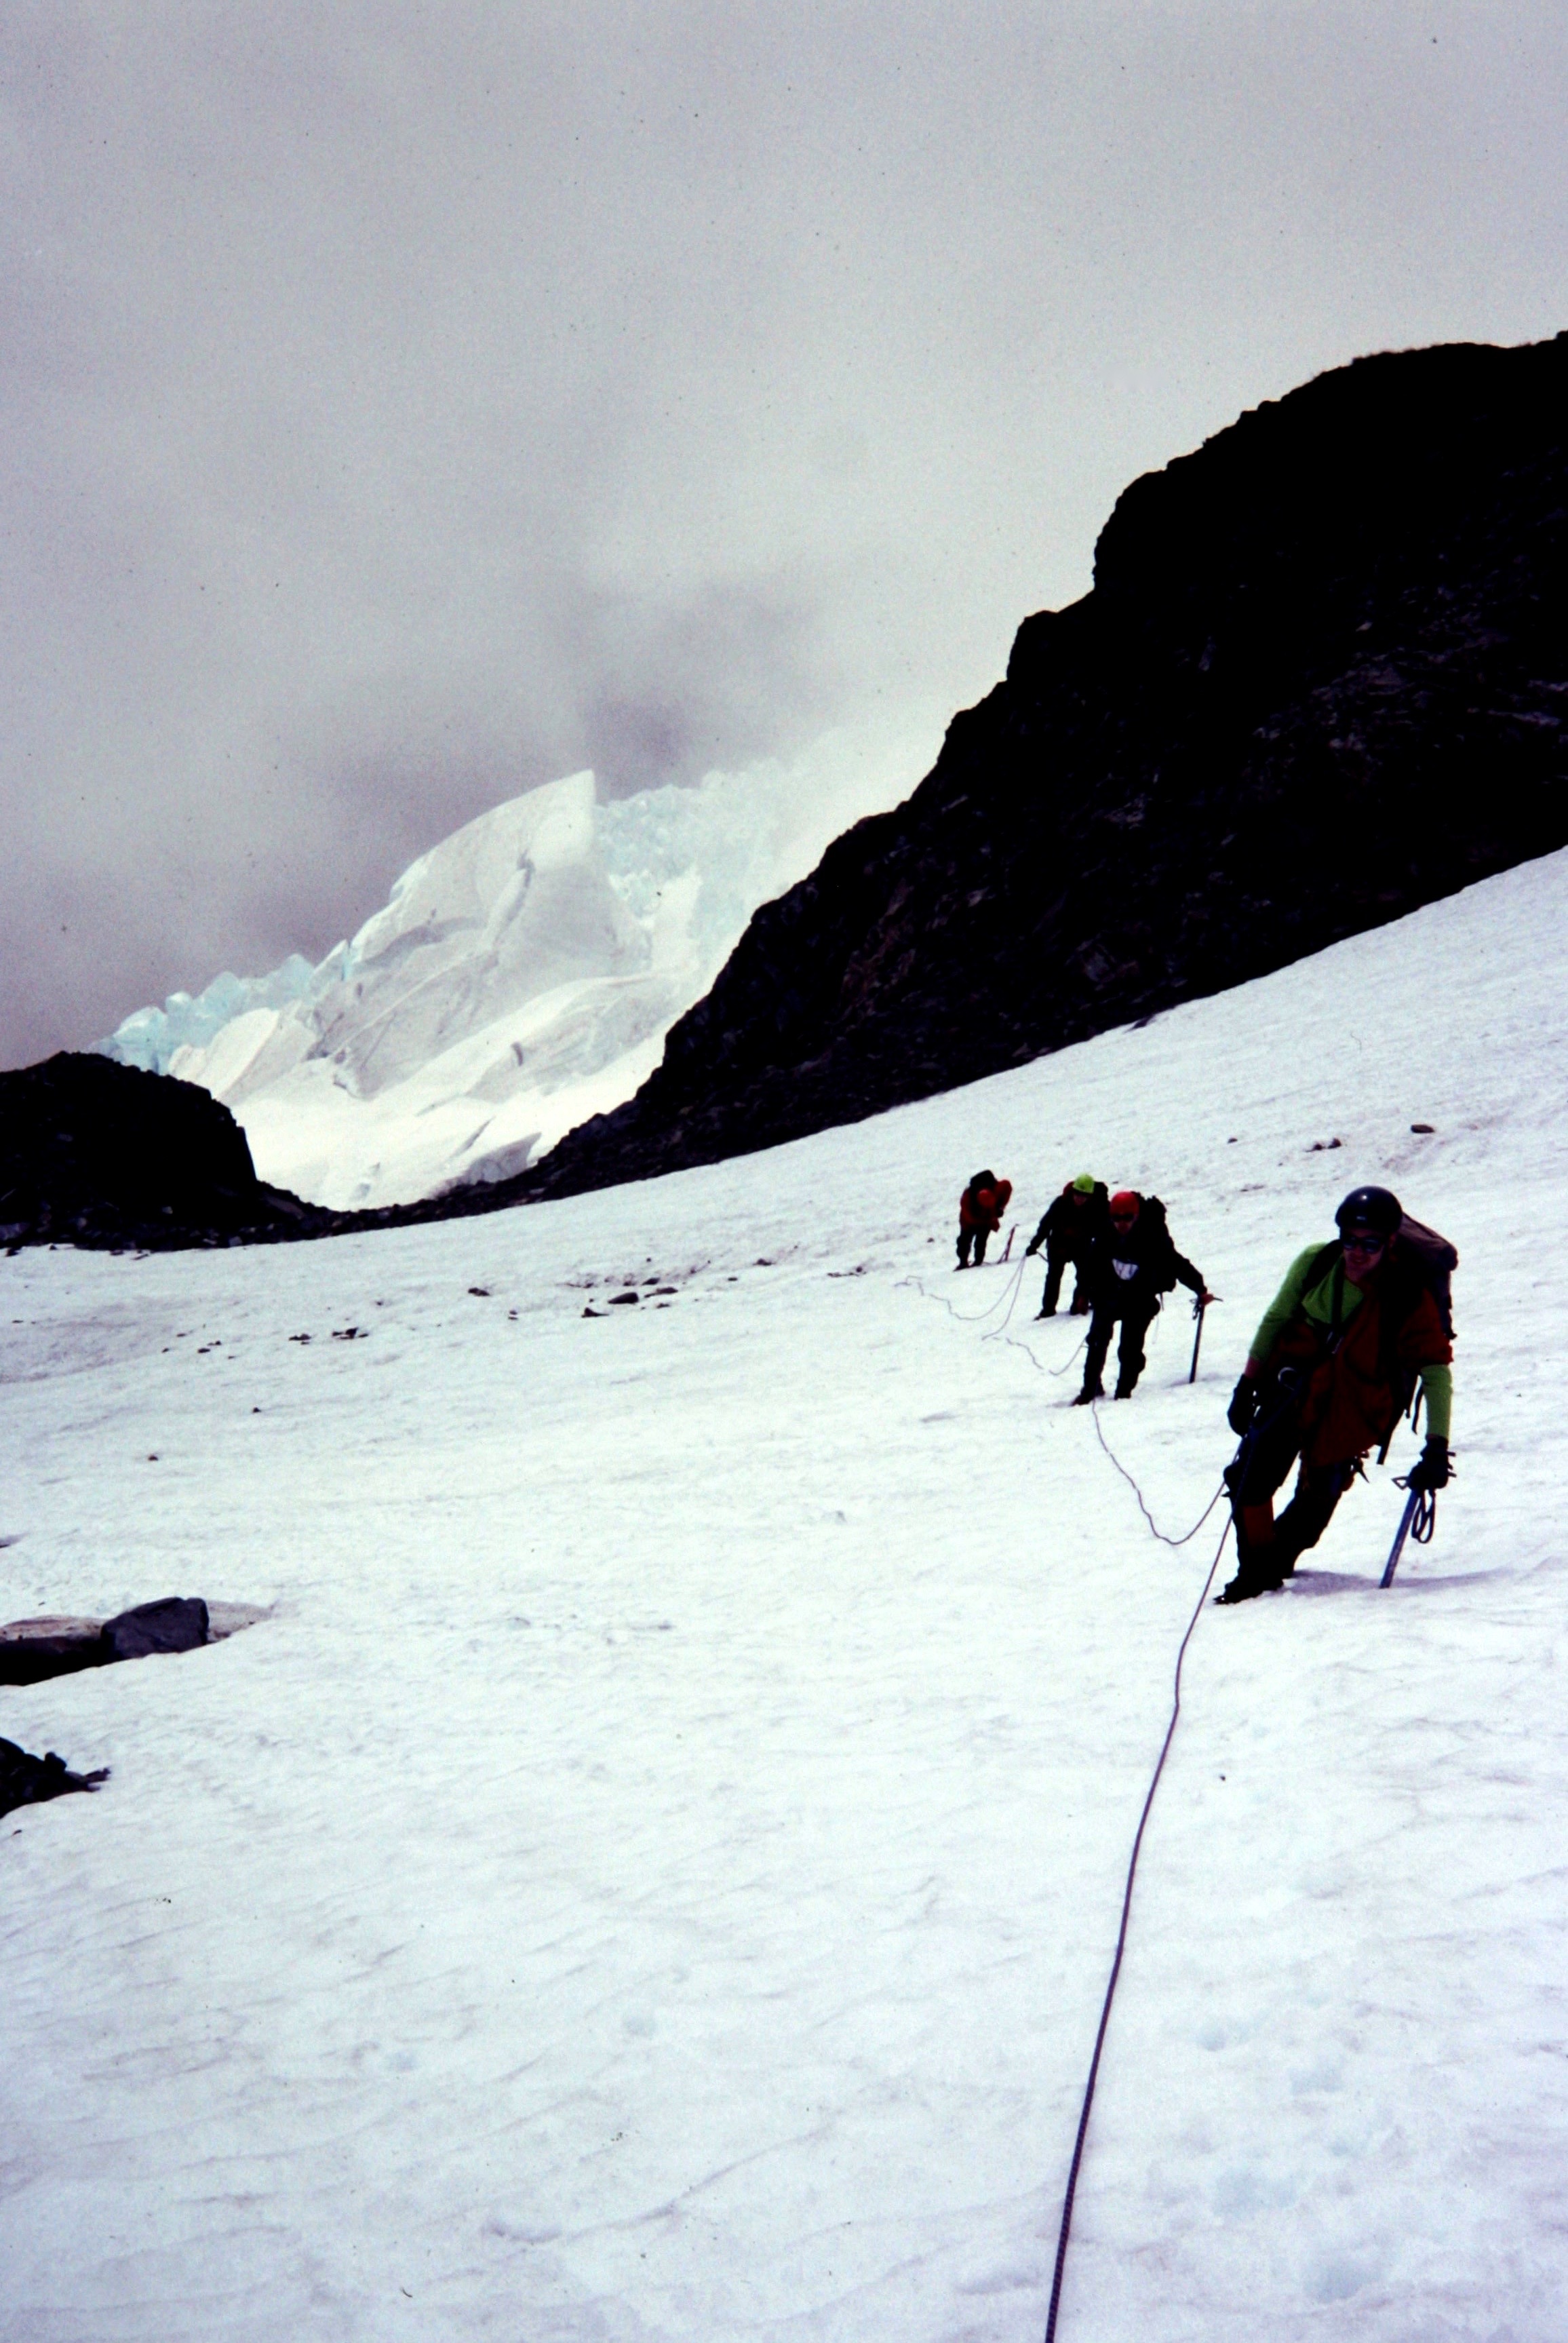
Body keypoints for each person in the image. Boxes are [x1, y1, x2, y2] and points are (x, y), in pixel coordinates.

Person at [1217, 1185, 1453, 1604]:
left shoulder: (1406, 1296)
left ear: (1390, 1242)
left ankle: (1278, 1556)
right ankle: (1255, 1572)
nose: (1357, 1252)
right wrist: (1248, 1383)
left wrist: (1437, 1445)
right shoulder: (1317, 1262)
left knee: (1317, 1498)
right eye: (1350, 1241)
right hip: (1291, 1388)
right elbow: (1277, 1318)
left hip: (1352, 1407)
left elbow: (1435, 1369)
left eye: (1370, 1244)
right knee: (1250, 1482)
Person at [1073, 1190, 1209, 1403]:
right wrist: (1082, 1292)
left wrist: (1200, 1289)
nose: (1122, 1223)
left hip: (1140, 1299)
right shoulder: (1106, 1233)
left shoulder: (1153, 1235)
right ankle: (1089, 1390)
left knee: (1130, 1350)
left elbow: (1176, 1264)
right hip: (1108, 1294)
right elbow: (1091, 1264)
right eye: (1117, 1218)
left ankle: (1124, 1393)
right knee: (1098, 1341)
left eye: (1127, 1218)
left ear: (1136, 1216)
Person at [1024, 1174, 1109, 1317]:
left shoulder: (1098, 1207)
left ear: (1091, 1195)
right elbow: (1046, 1225)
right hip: (1058, 1245)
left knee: (1085, 1277)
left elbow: (1105, 1228)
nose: (1079, 1198)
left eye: (1084, 1195)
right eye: (1077, 1194)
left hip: (1082, 1247)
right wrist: (1034, 1245)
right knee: (1053, 1277)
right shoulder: (1060, 1203)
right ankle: (1048, 1309)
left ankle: (1077, 1307)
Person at [956, 1169, 1013, 1268]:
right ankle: (963, 1262)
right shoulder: (967, 1199)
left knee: (981, 1241)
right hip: (969, 1221)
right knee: (964, 1240)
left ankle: (978, 1261)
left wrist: (1001, 1207)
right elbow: (970, 1219)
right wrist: (989, 1218)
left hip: (987, 1219)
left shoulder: (998, 1189)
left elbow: (1007, 1186)